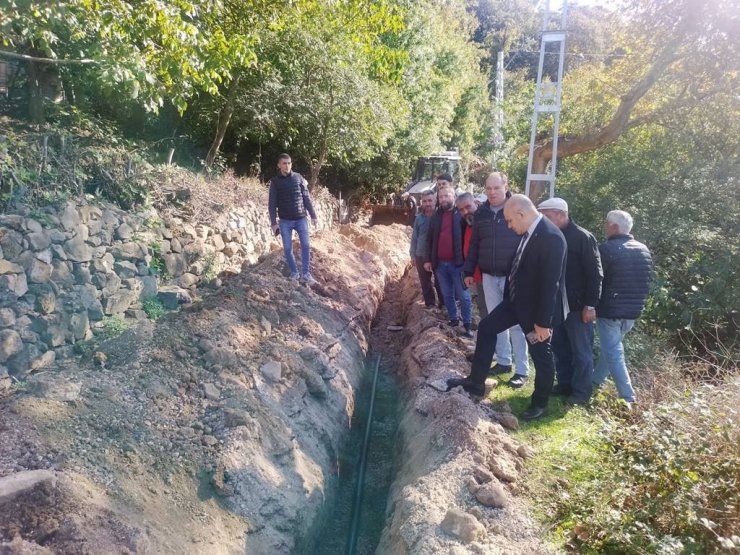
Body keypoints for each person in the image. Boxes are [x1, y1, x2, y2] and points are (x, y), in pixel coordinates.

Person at [447, 194, 567, 421]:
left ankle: (539, 403)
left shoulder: (551, 237)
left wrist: (543, 322)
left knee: (541, 355)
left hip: (536, 311)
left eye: (511, 221)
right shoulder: (528, 232)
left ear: (522, 214)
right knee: (487, 327)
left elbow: (551, 284)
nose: (510, 226)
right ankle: (475, 383)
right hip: (516, 303)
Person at [463, 172, 530, 388]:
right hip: (489, 276)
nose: (491, 192)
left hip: (514, 276)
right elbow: (474, 245)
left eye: (496, 188)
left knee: (517, 323)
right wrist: (468, 271)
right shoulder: (481, 213)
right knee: (494, 320)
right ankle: (503, 361)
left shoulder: (516, 209)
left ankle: (522, 370)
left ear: (505, 186)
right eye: (488, 188)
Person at [538, 197, 603, 405]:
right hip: (556, 305)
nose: (544, 220)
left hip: (577, 306)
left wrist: (590, 305)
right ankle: (564, 383)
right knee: (559, 347)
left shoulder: (583, 237)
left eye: (547, 216)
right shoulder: (548, 236)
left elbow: (596, 274)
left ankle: (581, 392)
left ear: (562, 214)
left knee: (581, 351)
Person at [593, 210, 652, 407]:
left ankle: (628, 397)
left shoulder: (607, 249)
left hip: (610, 310)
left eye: (606, 224)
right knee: (611, 350)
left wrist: (591, 304)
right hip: (633, 311)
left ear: (614, 227)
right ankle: (595, 382)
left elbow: (597, 281)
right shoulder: (643, 249)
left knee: (614, 353)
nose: (604, 227)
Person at [424, 176, 474, 337]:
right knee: (447, 294)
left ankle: (467, 324)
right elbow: (429, 238)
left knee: (464, 296)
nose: (443, 199)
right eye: (441, 197)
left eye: (447, 196)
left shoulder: (461, 215)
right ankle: (453, 319)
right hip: (440, 264)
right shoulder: (437, 216)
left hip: (458, 263)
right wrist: (428, 259)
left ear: (453, 196)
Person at [268, 153, 318, 285]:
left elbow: (306, 197)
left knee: (306, 245)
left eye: (289, 163)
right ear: (279, 165)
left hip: (301, 218)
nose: (287, 165)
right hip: (285, 221)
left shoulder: (298, 178)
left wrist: (313, 215)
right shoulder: (275, 182)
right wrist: (274, 223)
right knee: (287, 248)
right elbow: (271, 204)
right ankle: (295, 273)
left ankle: (306, 274)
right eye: (284, 163)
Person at [410, 190, 444, 309]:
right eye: (425, 201)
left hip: (437, 255)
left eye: (430, 200)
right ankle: (430, 304)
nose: (428, 203)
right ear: (421, 203)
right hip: (420, 255)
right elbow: (414, 237)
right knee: (425, 282)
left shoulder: (441, 216)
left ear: (435, 201)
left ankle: (443, 304)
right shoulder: (419, 218)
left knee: (440, 282)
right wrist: (412, 255)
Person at [455, 192, 486, 318]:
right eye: (461, 210)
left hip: (487, 276)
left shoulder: (485, 222)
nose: (465, 212)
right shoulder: (466, 224)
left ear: (476, 203)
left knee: (489, 310)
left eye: (468, 207)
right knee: (483, 308)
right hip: (476, 276)